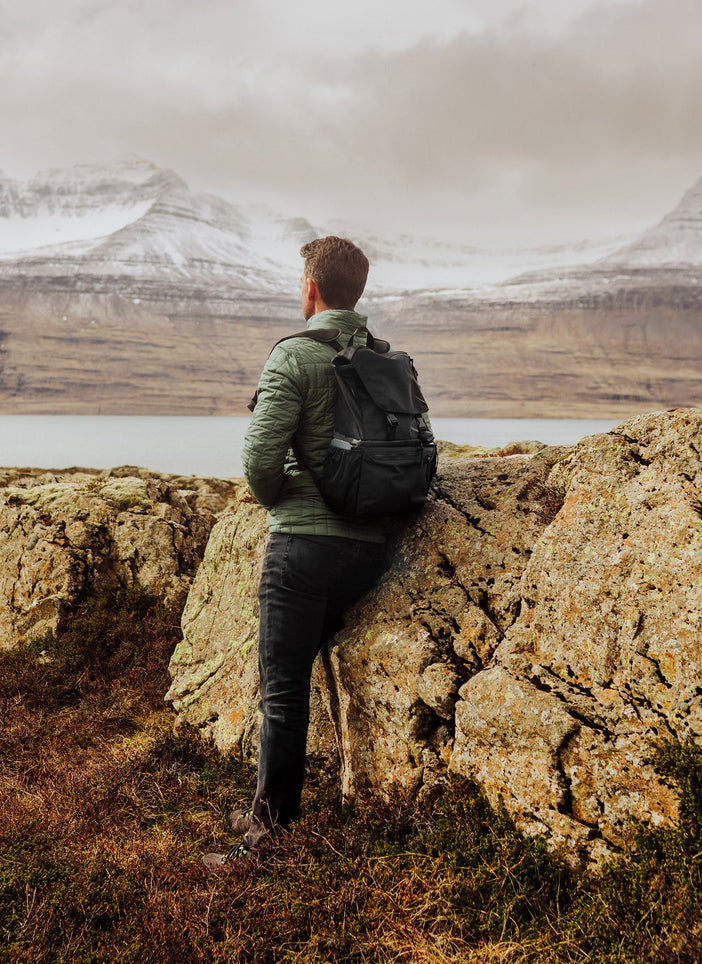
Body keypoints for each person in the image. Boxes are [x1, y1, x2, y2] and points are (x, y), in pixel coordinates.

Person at [203, 236, 392, 869]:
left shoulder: (293, 357)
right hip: (370, 553)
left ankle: (267, 839)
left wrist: (283, 494)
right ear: (356, 291)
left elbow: (259, 459)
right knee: (298, 683)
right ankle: (268, 807)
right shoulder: (385, 358)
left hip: (303, 550)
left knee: (282, 691)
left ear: (310, 290)